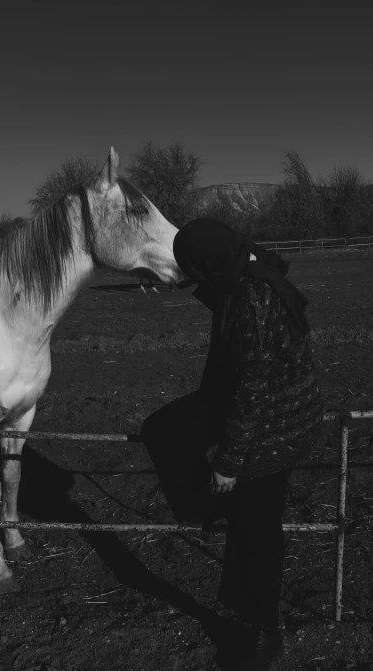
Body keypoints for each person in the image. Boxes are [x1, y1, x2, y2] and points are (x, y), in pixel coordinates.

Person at [170, 218, 324, 669]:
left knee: (258, 529)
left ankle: (267, 628)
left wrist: (230, 464)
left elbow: (253, 391)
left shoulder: (251, 301)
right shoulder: (246, 270)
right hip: (287, 411)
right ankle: (223, 515)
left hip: (277, 427)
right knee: (169, 431)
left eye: (191, 267)